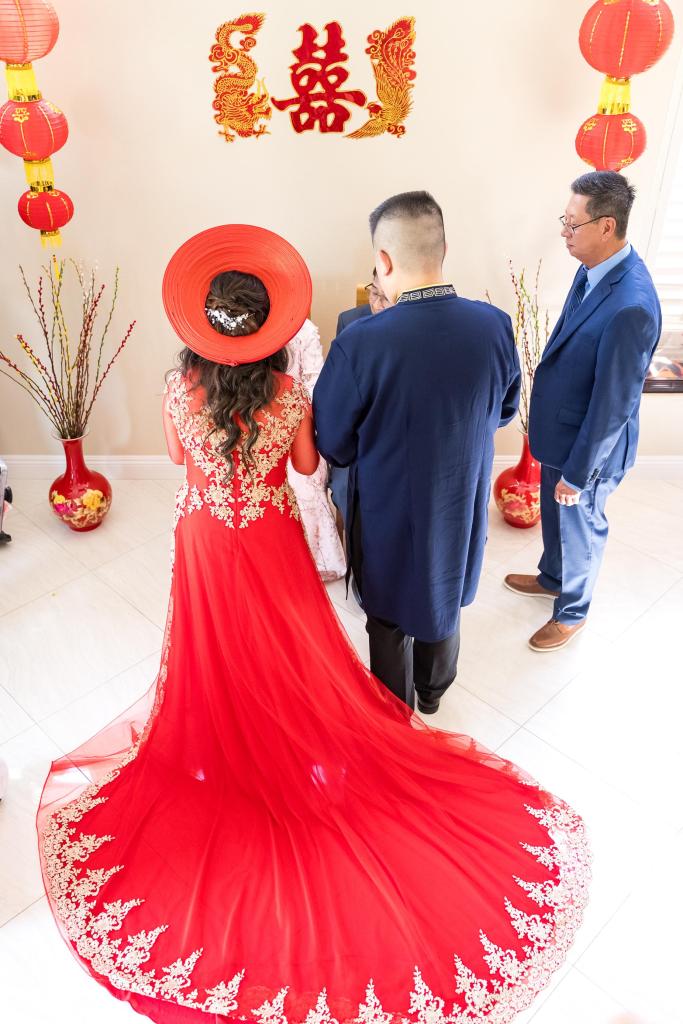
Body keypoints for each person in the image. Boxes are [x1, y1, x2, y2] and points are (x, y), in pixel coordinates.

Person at [37, 225, 588, 1024]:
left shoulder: (175, 391)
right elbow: (304, 468)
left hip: (204, 538)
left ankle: (222, 735)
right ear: (267, 330)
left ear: (201, 328)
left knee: (210, 643)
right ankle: (289, 727)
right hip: (267, 534)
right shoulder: (289, 395)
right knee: (289, 643)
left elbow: (178, 463)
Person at [314, 191, 521, 714]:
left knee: (387, 613)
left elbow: (333, 442)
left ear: (383, 261)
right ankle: (434, 691)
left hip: (390, 506)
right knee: (446, 591)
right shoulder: (494, 324)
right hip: (462, 497)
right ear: (443, 249)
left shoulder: (361, 342)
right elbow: (504, 409)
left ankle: (395, 710)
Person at [505, 171, 662, 651]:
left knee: (580, 527)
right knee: (556, 520)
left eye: (572, 224)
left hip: (588, 447)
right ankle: (552, 578)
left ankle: (572, 611)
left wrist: (578, 474)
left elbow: (614, 405)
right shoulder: (591, 268)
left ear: (606, 226)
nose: (563, 231)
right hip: (562, 431)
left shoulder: (632, 306)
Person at [329, 270, 391, 527]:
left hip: (397, 434)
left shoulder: (417, 325)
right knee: (345, 488)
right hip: (357, 433)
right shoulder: (349, 321)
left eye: (386, 297)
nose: (377, 304)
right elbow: (338, 391)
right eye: (373, 293)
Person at [286, 318, 346, 581]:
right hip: (255, 420)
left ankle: (306, 559)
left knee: (305, 478)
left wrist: (292, 412)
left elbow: (314, 381)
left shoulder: (304, 329)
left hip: (297, 418)